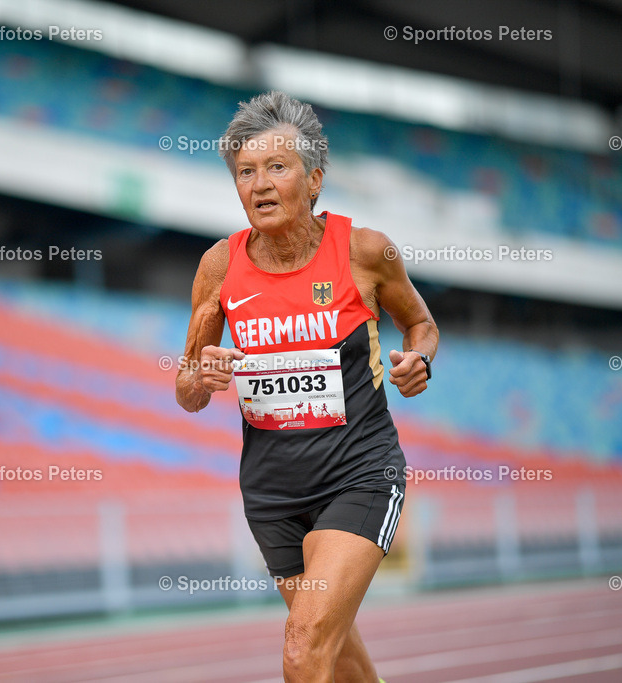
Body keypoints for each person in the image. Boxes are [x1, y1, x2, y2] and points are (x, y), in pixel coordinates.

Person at [176, 91, 438, 683]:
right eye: (245, 172)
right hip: (273, 493)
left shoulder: (367, 252)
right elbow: (186, 387)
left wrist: (418, 363)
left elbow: (421, 325)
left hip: (358, 473)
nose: (260, 184)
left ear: (314, 179)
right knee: (335, 654)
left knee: (302, 648)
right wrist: (202, 377)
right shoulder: (219, 266)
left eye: (277, 167)